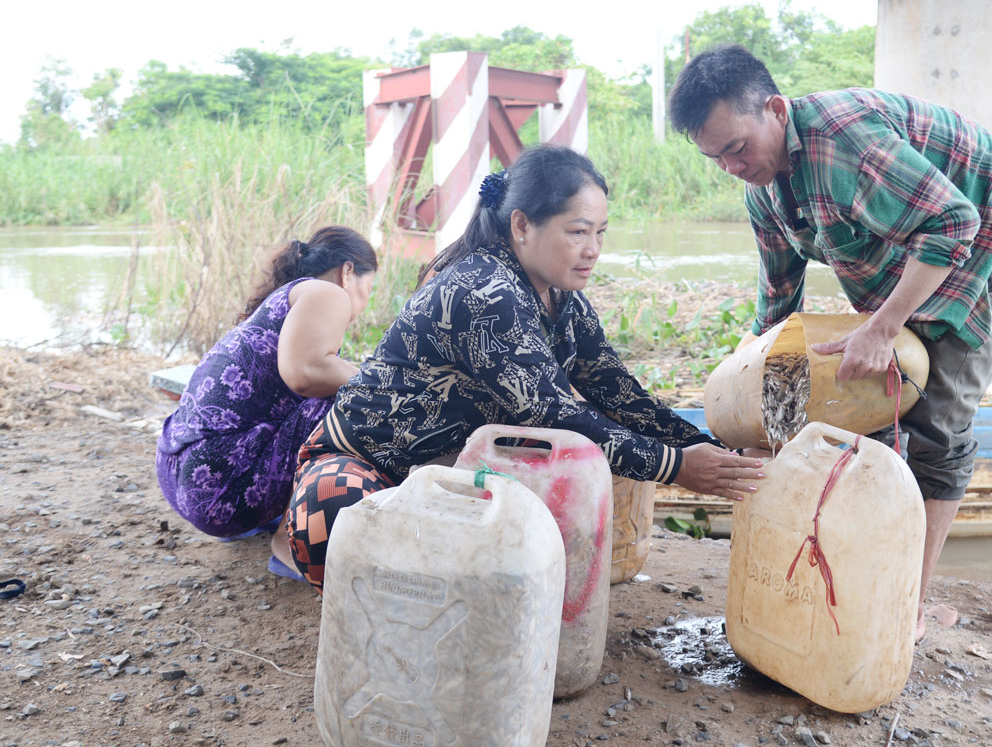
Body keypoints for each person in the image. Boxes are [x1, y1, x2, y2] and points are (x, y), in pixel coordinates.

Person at [667, 45, 992, 642]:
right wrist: (748, 399)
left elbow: (954, 223)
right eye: (715, 158)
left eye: (737, 149)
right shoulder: (762, 189)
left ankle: (908, 607)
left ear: (774, 108)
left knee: (938, 421)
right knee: (867, 401)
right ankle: (855, 573)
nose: (731, 167)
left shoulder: (844, 140)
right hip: (914, 245)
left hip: (988, 234)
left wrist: (881, 326)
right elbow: (778, 302)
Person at [282, 144, 763, 593]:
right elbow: (553, 416)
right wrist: (675, 466)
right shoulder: (483, 292)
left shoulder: (563, 298)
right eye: (577, 231)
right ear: (521, 226)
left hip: (455, 473)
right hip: (368, 466)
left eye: (600, 232)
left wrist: (716, 453)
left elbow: (619, 392)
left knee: (488, 560)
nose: (593, 249)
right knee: (340, 524)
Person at [156, 225, 377, 539]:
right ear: (348, 272)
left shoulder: (286, 298)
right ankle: (290, 543)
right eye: (370, 285)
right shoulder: (328, 293)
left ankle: (273, 515)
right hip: (219, 490)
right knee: (351, 397)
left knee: (339, 386)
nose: (367, 300)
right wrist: (378, 383)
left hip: (182, 476)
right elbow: (305, 373)